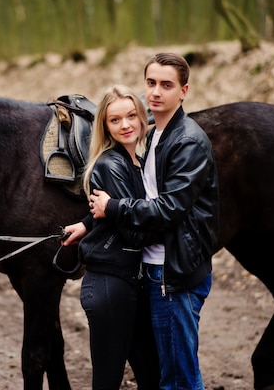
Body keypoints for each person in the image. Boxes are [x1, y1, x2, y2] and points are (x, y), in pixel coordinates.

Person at [65, 53, 219, 390]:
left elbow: (167, 209)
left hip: (172, 271)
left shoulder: (184, 140)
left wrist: (112, 208)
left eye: (167, 85)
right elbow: (134, 197)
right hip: (148, 274)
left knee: (177, 377)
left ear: (184, 91)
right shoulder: (153, 138)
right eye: (151, 83)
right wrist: (91, 222)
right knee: (165, 374)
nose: (156, 92)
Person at [72, 84, 161, 390]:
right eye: (115, 120)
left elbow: (119, 206)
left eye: (131, 116)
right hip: (111, 286)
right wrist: (168, 219)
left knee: (152, 375)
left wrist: (88, 221)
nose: (125, 125)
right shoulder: (111, 164)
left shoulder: (135, 160)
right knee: (108, 382)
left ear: (141, 117)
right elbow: (135, 233)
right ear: (105, 127)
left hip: (128, 282)